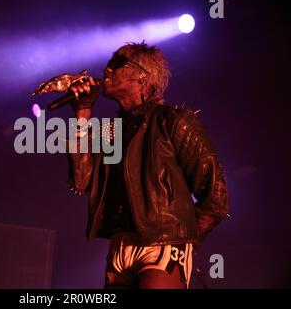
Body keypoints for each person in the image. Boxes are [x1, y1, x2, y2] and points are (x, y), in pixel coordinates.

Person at [66, 41, 229, 289]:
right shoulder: (109, 131)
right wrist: (83, 110)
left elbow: (215, 198)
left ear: (142, 74)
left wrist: (183, 239)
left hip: (163, 245)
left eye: (117, 63)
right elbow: (81, 180)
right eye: (109, 63)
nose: (107, 69)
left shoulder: (174, 122)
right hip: (119, 248)